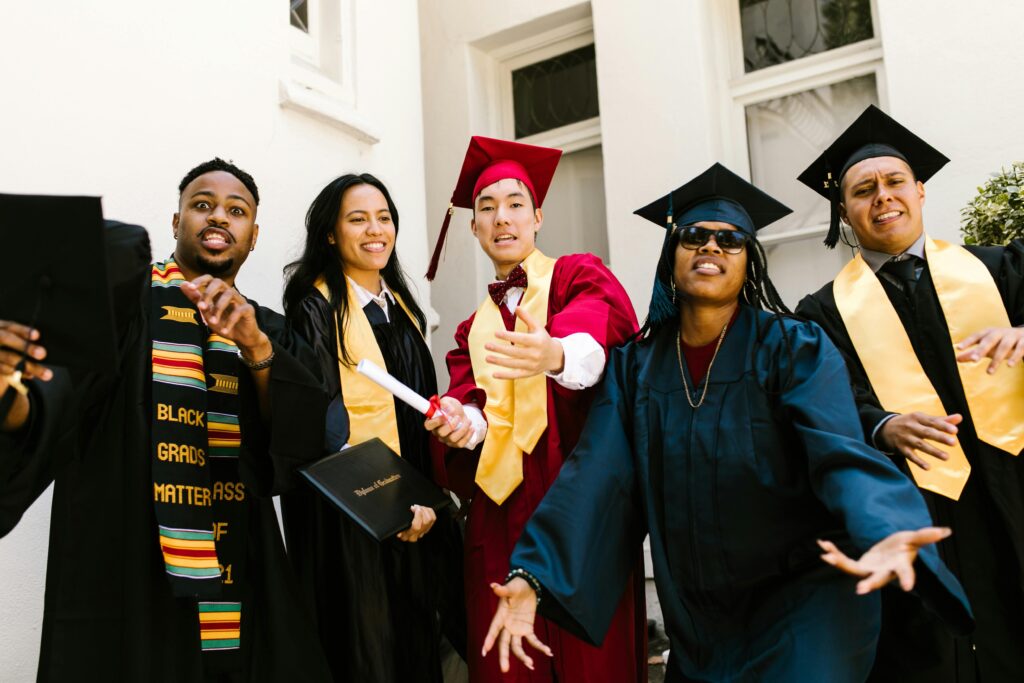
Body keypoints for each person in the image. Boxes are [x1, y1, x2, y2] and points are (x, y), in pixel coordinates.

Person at [481, 163, 972, 683]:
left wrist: (888, 527)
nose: (711, 248)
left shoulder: (793, 349)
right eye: (694, 237)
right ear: (671, 258)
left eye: (730, 240)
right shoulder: (635, 369)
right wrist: (534, 572)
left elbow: (842, 455)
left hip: (805, 604)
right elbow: (596, 477)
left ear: (749, 263)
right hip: (701, 618)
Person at [0, 159, 332, 681]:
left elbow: (306, 439)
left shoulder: (267, 329)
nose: (218, 217)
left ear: (253, 236)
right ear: (176, 222)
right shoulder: (122, 307)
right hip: (127, 556)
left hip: (236, 561)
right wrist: (10, 393)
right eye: (202, 205)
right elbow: (54, 401)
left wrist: (256, 348)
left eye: (236, 211)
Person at [795, 105, 1024, 682]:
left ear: (921, 191)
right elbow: (827, 399)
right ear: (843, 211)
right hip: (918, 501)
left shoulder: (999, 270)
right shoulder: (822, 312)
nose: (883, 197)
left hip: (1015, 484)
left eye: (896, 182)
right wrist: (881, 425)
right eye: (863, 190)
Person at [423, 136, 646, 682]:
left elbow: (603, 327)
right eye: (486, 207)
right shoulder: (469, 330)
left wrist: (557, 351)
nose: (502, 218)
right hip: (500, 517)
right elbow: (474, 401)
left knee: (590, 662)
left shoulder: (576, 276)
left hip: (577, 505)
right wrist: (461, 425)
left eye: (515, 203)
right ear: (474, 227)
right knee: (508, 667)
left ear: (538, 216)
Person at [280, 172, 466, 682]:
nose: (375, 229)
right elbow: (324, 427)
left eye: (383, 217)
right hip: (354, 515)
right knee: (370, 648)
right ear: (330, 234)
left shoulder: (402, 306)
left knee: (417, 640)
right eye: (357, 219)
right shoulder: (315, 310)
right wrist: (390, 504)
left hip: (415, 505)